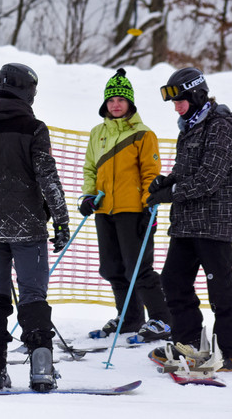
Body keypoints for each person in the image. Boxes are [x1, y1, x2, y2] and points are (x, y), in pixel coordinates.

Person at [0, 63, 70, 393]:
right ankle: (41, 369)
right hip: (28, 229)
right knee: (33, 296)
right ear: (28, 92)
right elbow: (47, 178)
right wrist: (61, 220)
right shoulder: (35, 129)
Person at [148, 67, 232, 372]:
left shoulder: (221, 125)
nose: (175, 106)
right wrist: (167, 181)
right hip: (187, 222)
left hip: (214, 223)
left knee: (220, 289)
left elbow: (209, 178)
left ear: (196, 94)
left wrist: (173, 192)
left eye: (180, 99)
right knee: (173, 281)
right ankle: (187, 345)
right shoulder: (190, 125)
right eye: (173, 101)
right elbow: (189, 168)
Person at [80, 69, 171, 344]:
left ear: (130, 103)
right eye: (111, 100)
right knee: (111, 268)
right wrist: (88, 196)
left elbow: (150, 174)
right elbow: (90, 169)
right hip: (105, 210)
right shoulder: (98, 133)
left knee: (138, 268)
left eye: (121, 99)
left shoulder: (143, 134)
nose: (116, 104)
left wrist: (149, 208)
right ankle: (130, 318)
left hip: (133, 212)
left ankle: (162, 319)